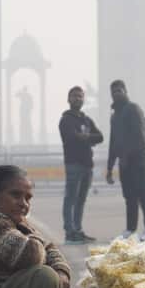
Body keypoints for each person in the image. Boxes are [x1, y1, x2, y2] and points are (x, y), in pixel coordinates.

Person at [106, 80, 145, 241]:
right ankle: (130, 228)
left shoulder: (133, 109)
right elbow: (113, 142)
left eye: (119, 90)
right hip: (124, 160)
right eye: (113, 92)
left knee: (142, 191)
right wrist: (109, 167)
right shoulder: (114, 116)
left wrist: (127, 156)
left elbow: (138, 135)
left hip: (139, 157)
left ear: (126, 91)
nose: (116, 94)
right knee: (129, 195)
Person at [58, 86, 103, 244]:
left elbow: (100, 137)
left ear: (84, 99)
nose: (77, 98)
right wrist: (88, 138)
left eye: (80, 96)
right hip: (73, 163)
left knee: (81, 200)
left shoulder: (86, 119)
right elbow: (72, 137)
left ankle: (78, 230)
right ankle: (69, 233)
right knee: (70, 198)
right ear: (68, 99)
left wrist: (85, 137)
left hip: (87, 164)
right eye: (74, 96)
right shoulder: (65, 120)